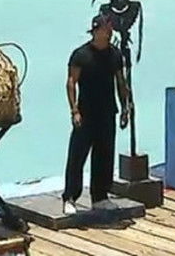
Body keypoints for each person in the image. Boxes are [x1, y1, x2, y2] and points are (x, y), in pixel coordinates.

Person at [61, 15, 132, 215]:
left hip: (107, 112)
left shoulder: (115, 54)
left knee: (104, 155)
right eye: (105, 29)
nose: (109, 33)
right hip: (86, 113)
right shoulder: (80, 55)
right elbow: (71, 82)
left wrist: (125, 107)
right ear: (96, 31)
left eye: (110, 30)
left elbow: (120, 82)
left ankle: (100, 197)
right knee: (77, 156)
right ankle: (70, 197)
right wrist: (74, 110)